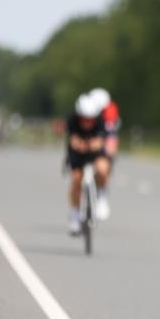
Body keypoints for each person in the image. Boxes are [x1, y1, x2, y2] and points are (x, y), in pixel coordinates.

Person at [65, 90, 121, 234]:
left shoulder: (101, 120)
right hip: (78, 153)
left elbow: (104, 139)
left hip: (95, 151)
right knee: (76, 179)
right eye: (84, 119)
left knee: (103, 169)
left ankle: (102, 197)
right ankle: (74, 215)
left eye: (90, 119)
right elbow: (72, 140)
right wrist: (79, 144)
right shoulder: (72, 120)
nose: (87, 122)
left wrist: (96, 145)